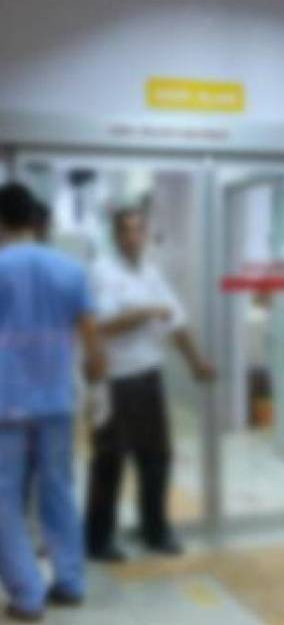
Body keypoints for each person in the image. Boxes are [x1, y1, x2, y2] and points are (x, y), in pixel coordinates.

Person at [84, 202, 215, 561]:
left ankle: (154, 531)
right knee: (109, 462)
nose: (133, 237)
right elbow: (101, 326)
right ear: (115, 235)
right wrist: (146, 311)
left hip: (148, 378)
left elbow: (177, 322)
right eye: (126, 230)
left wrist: (196, 362)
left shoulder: (151, 274)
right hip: (113, 381)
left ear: (145, 234)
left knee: (156, 458)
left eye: (138, 229)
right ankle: (97, 540)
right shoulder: (101, 272)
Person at [0, 182, 105, 622]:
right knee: (58, 491)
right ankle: (69, 581)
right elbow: (93, 343)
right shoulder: (70, 270)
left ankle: (27, 594)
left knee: (5, 500)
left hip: (6, 405)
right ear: (34, 220)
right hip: (58, 402)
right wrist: (96, 387)